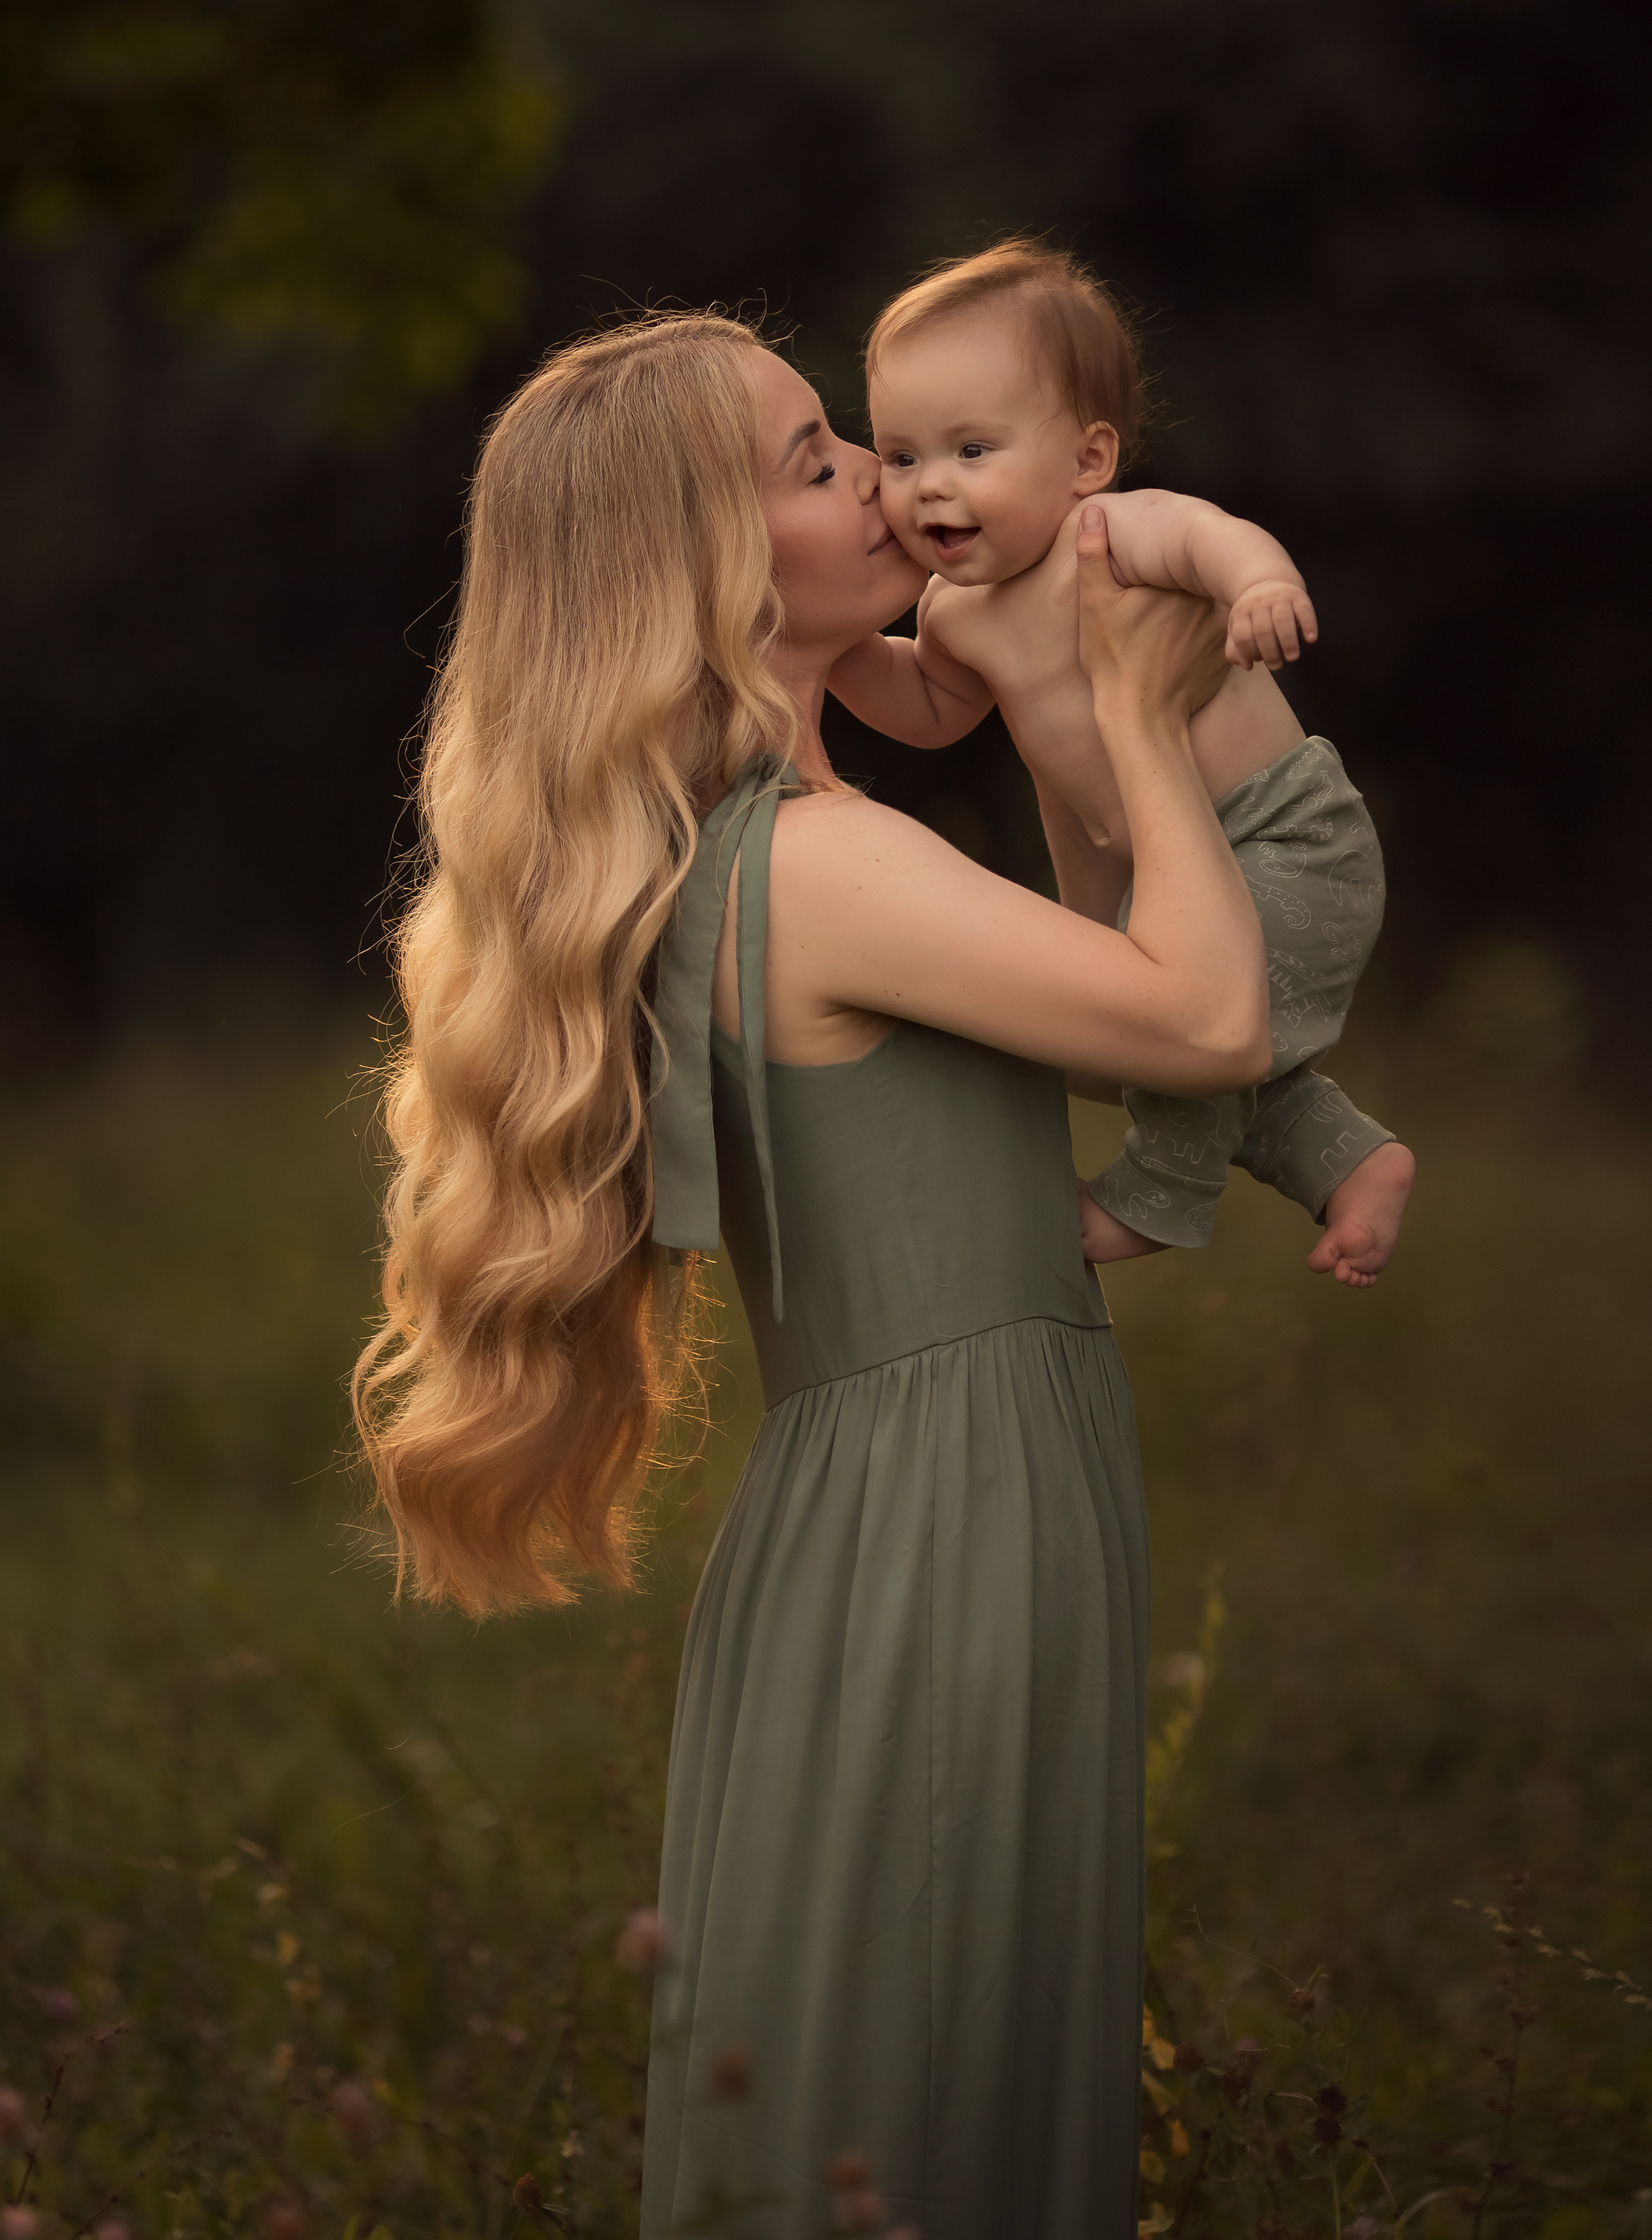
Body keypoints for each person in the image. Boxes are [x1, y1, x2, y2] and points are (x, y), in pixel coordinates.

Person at [354, 312, 1270, 2236]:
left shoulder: (764, 852)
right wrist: (1124, 678)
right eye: (812, 459)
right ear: (709, 566)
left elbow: (1098, 994)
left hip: (922, 1492)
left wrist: (1053, 712)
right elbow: (1197, 1017)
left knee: (936, 2049)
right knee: (933, 2067)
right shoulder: (813, 870)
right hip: (946, 1516)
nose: (879, 476)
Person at [829, 239, 1416, 1287]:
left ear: (1087, 458)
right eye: (903, 456)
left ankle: (1156, 1194)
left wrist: (1258, 587)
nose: (928, 490)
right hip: (1182, 876)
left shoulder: (1107, 536)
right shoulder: (953, 613)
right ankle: (1347, 1156)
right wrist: (830, 649)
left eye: (973, 450)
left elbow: (1209, 535)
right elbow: (924, 707)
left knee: (1182, 1036)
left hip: (1286, 839)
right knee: (1206, 1053)